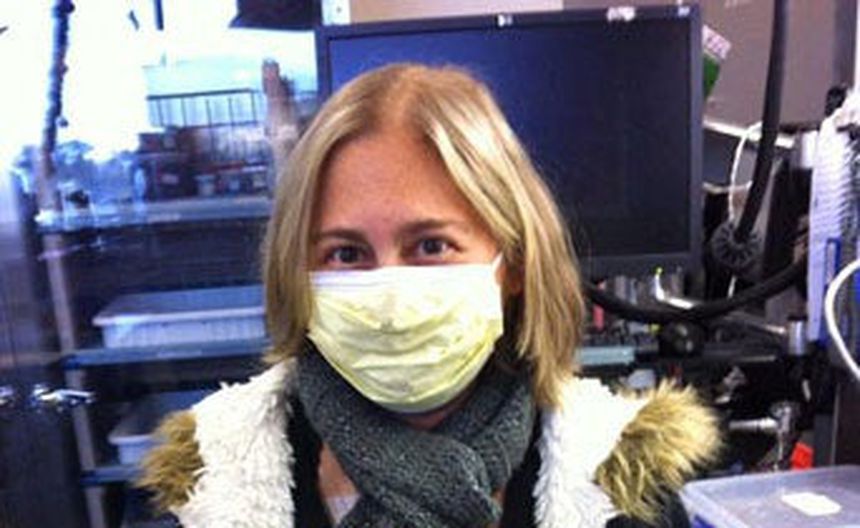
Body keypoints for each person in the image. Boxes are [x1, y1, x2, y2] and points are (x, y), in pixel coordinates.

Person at [139, 64, 719, 528]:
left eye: (431, 245)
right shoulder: (212, 483)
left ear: (514, 263)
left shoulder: (618, 482)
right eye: (346, 253)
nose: (390, 298)